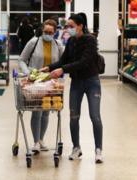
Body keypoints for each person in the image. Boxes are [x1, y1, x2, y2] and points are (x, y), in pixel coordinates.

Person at [41, 13, 104, 163]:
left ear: (80, 26)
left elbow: (85, 62)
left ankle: (98, 149)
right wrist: (48, 68)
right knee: (73, 117)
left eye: (71, 26)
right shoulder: (70, 41)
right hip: (76, 83)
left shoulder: (90, 40)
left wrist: (63, 70)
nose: (68, 28)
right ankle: (76, 148)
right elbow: (63, 61)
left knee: (95, 116)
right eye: (67, 26)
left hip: (91, 82)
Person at [18, 19, 64, 154]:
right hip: (35, 81)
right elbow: (21, 60)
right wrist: (27, 73)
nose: (48, 34)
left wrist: (61, 72)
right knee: (36, 111)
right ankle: (35, 142)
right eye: (46, 32)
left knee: (45, 111)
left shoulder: (58, 44)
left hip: (51, 82)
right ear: (42, 31)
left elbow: (63, 62)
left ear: (55, 33)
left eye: (51, 32)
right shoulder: (33, 42)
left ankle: (42, 139)